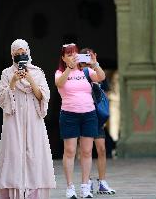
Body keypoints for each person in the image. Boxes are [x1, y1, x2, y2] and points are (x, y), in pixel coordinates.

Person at [0, 39, 56, 199]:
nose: (20, 56)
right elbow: (2, 100)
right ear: (12, 55)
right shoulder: (6, 73)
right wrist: (14, 81)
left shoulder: (37, 72)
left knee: (34, 153)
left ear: (28, 52)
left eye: (23, 53)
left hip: (33, 120)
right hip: (13, 120)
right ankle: (14, 192)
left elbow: (43, 96)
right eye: (17, 53)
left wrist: (30, 80)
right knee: (14, 153)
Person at [55, 43, 105, 199]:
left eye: (74, 53)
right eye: (68, 54)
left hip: (89, 114)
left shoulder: (85, 71)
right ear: (63, 57)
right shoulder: (60, 72)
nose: (72, 56)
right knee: (69, 151)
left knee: (87, 151)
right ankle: (70, 187)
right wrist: (69, 68)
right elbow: (59, 83)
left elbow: (101, 77)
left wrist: (95, 63)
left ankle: (85, 186)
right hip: (69, 115)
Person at [79, 48, 116, 195]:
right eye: (84, 56)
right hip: (83, 115)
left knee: (101, 149)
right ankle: (86, 181)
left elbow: (105, 93)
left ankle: (102, 182)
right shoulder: (78, 74)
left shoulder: (98, 72)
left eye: (90, 56)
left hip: (97, 116)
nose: (87, 59)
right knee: (85, 151)